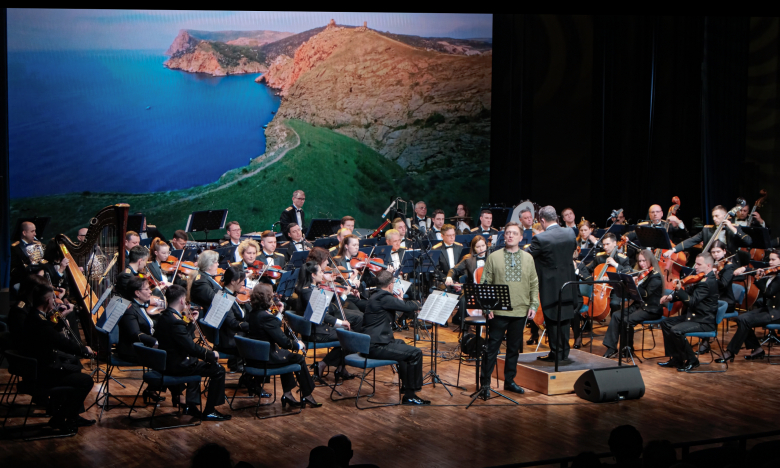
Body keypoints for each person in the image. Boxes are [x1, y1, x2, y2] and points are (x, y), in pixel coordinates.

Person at [21, 282, 96, 432]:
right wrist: (84, 350)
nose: (55, 301)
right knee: (86, 381)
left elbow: (51, 335)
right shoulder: (39, 322)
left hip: (36, 368)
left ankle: (71, 415)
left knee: (74, 365)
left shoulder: (33, 316)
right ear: (48, 301)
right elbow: (60, 341)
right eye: (53, 299)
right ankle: (60, 418)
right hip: (43, 374)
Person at [479, 222, 539, 394]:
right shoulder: (494, 257)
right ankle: (485, 384)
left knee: (514, 349)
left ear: (521, 237)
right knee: (492, 348)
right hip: (498, 312)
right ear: (504, 236)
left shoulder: (528, 258)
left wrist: (533, 304)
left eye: (514, 233)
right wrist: (487, 307)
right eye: (507, 233)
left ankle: (509, 381)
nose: (510, 235)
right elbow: (485, 284)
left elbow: (534, 284)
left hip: (520, 310)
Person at [156, 284, 231, 421]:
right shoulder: (175, 322)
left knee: (195, 363)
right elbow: (191, 347)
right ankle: (210, 410)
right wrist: (211, 354)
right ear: (181, 300)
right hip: (177, 366)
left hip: (166, 363)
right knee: (218, 369)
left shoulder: (164, 317)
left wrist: (191, 323)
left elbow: (182, 340)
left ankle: (191, 405)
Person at [246, 283, 320, 408]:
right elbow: (284, 342)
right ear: (267, 299)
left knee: (287, 356)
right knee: (298, 358)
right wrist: (298, 345)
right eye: (271, 296)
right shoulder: (265, 317)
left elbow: (270, 326)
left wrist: (279, 313)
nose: (273, 298)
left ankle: (287, 394)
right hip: (266, 359)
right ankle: (307, 394)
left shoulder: (252, 313)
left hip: (253, 357)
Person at [363, 270, 427, 404]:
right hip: (377, 346)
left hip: (372, 343)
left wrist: (399, 301)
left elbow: (398, 310)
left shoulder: (376, 296)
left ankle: (406, 386)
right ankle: (410, 394)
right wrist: (416, 303)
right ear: (390, 285)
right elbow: (409, 307)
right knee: (416, 353)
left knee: (402, 345)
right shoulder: (384, 298)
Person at [527, 205, 579, 362]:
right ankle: (563, 353)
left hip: (550, 287)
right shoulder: (570, 233)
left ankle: (557, 354)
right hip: (569, 284)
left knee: (553, 321)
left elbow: (527, 258)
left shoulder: (541, 239)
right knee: (564, 319)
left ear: (542, 220)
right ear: (556, 217)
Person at [294, 261, 357, 382]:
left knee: (350, 334)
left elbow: (328, 310)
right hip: (315, 332)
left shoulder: (311, 289)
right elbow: (323, 314)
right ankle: (323, 364)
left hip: (318, 328)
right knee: (351, 338)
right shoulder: (308, 292)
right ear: (313, 275)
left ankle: (339, 367)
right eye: (321, 272)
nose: (323, 274)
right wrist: (340, 322)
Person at [716, 249, 780, 363]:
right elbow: (756, 270)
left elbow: (769, 292)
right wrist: (745, 268)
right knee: (740, 318)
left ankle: (730, 352)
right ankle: (757, 348)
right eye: (769, 259)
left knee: (745, 320)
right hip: (768, 309)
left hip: (776, 313)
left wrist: (758, 280)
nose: (770, 262)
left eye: (773, 259)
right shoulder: (773, 272)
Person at [659, 253, 719, 371]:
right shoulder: (701, 278)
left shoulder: (708, 282)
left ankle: (692, 359)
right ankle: (677, 359)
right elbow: (688, 292)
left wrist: (679, 289)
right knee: (666, 323)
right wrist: (671, 298)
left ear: (708, 265)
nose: (695, 267)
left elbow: (691, 302)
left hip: (703, 321)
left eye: (698, 264)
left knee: (676, 331)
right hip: (694, 317)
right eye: (695, 263)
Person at [602, 249, 664, 358]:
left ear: (650, 260)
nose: (641, 263)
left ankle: (627, 349)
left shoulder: (656, 276)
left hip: (651, 309)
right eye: (639, 261)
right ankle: (611, 348)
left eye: (644, 261)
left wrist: (634, 285)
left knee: (626, 320)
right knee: (617, 315)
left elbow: (646, 294)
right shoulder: (641, 274)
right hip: (639, 306)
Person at [117, 276, 164, 403]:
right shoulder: (129, 310)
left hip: (144, 346)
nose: (150, 292)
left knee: (170, 353)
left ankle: (155, 389)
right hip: (132, 350)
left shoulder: (142, 306)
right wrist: (155, 342)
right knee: (167, 357)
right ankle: (159, 389)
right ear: (137, 293)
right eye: (147, 289)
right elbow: (135, 334)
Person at [663, 205, 752, 259]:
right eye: (713, 216)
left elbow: (748, 241)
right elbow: (691, 241)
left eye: (717, 216)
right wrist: (673, 250)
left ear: (725, 216)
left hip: (729, 264)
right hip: (710, 262)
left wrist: (732, 228)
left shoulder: (735, 228)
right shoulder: (707, 230)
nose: (714, 219)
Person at [446, 235, 488, 328]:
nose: (481, 249)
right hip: (472, 289)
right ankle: (464, 328)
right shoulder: (468, 259)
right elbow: (454, 270)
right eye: (478, 247)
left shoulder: (492, 258)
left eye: (483, 246)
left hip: (488, 290)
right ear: (473, 248)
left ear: (486, 245)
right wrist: (449, 277)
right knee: (463, 300)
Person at [214, 266, 250, 372]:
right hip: (229, 341)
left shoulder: (226, 294)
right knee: (261, 338)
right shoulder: (224, 297)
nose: (243, 285)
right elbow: (232, 323)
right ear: (233, 282)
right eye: (242, 281)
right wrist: (252, 325)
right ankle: (252, 376)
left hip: (229, 335)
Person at [10, 221, 47, 290]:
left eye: (35, 231)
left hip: (41, 279)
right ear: (24, 233)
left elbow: (45, 261)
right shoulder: (15, 248)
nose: (35, 234)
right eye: (32, 231)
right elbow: (13, 270)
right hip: (24, 282)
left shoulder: (39, 245)